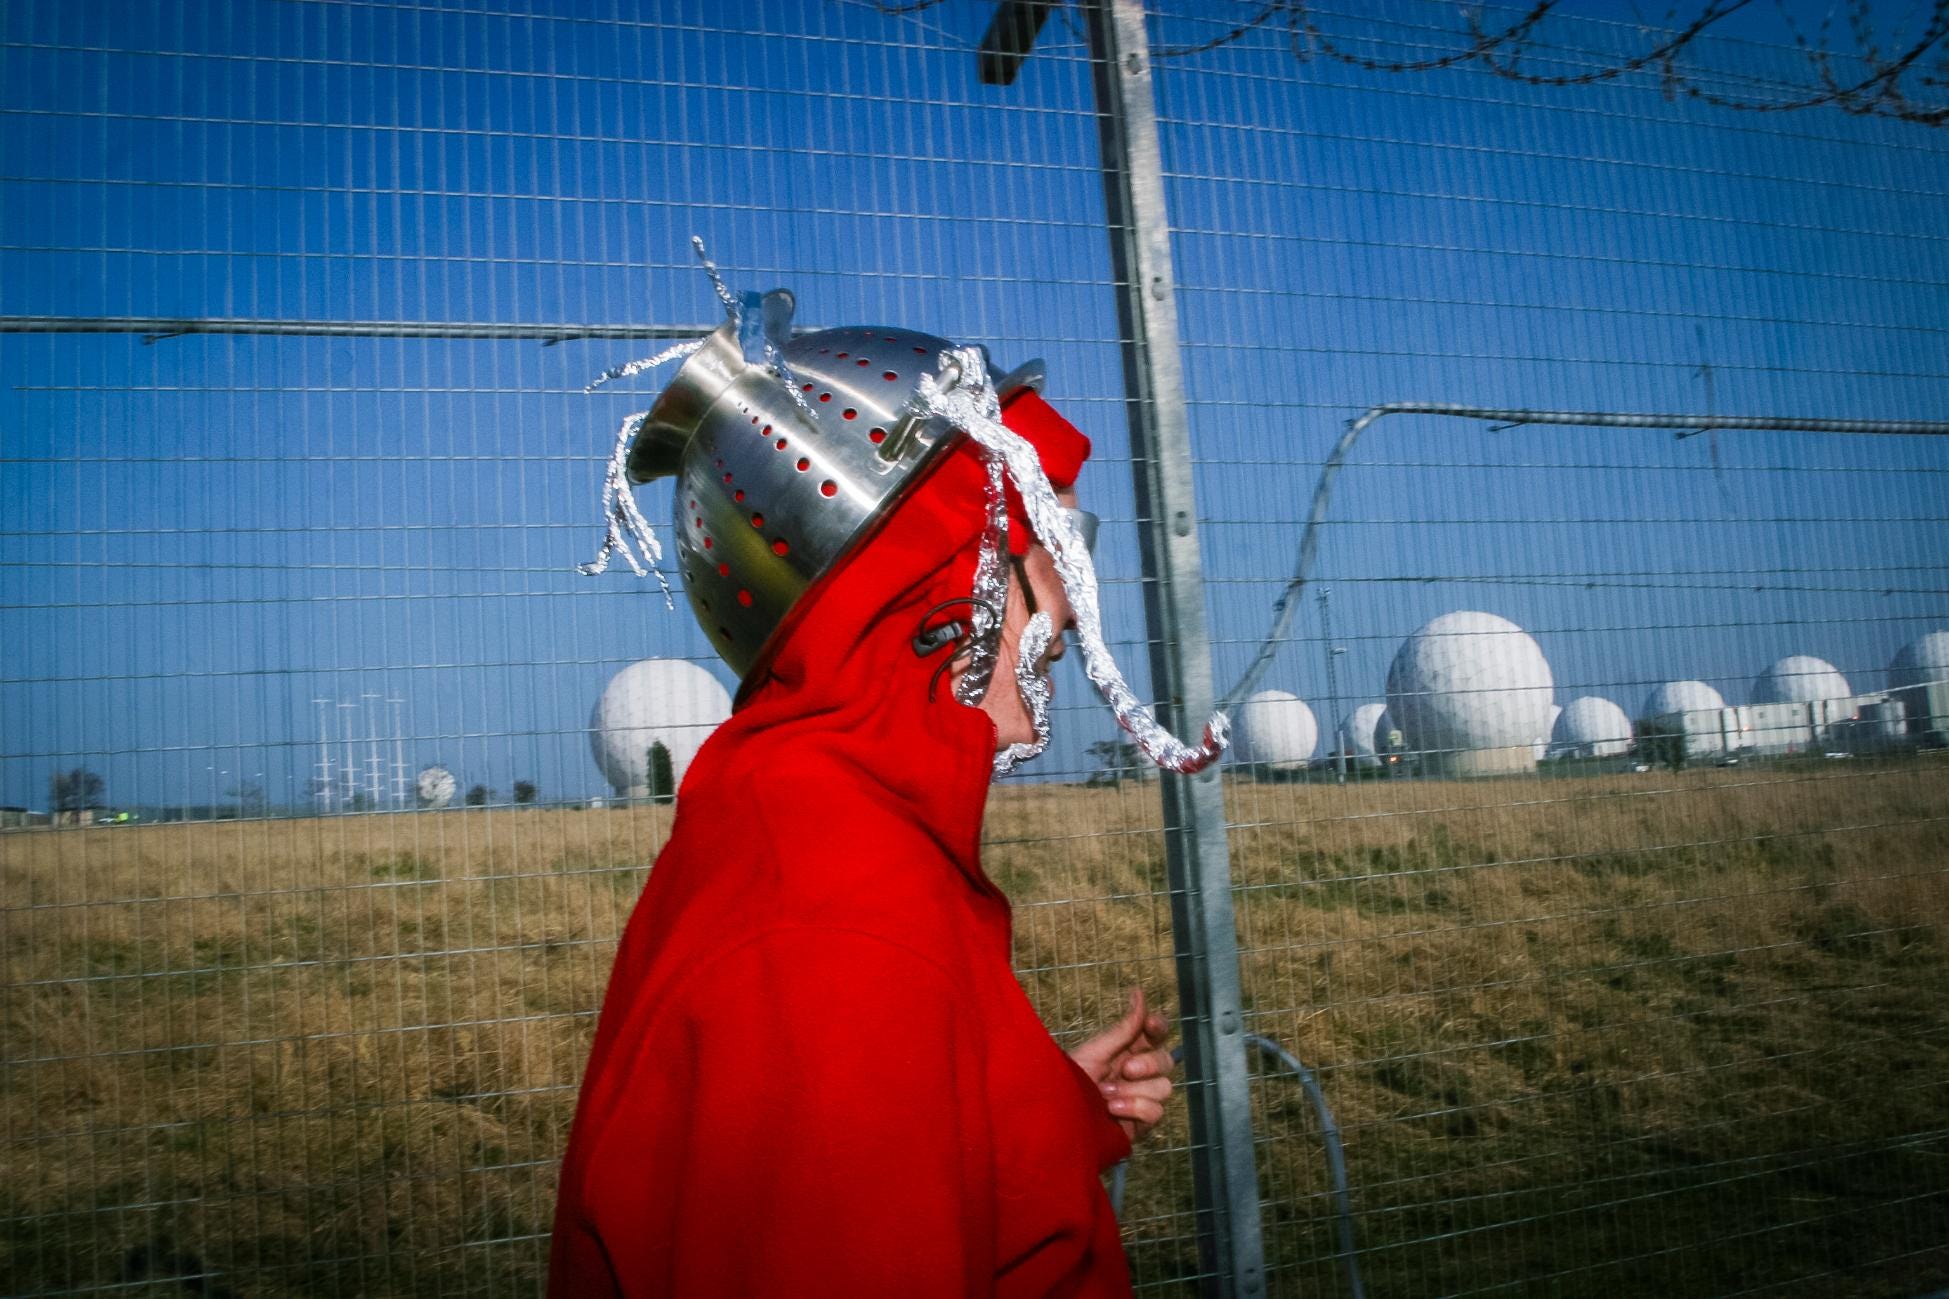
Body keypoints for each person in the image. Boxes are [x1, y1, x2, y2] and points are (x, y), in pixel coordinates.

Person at [552, 289, 1225, 1297]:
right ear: (946, 590)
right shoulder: (833, 939)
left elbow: (867, 1171)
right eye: (1052, 545)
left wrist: (1035, 1107)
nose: (1075, 612)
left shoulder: (814, 826)